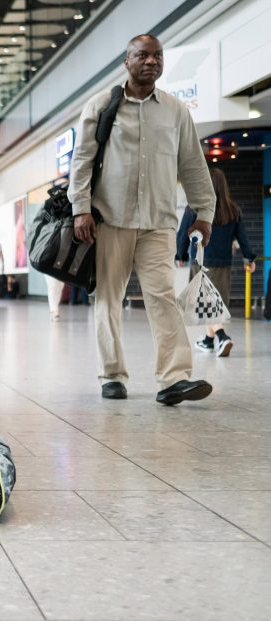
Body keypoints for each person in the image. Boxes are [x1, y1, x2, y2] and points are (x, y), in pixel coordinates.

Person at [69, 34, 216, 405]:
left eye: (157, 56)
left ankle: (173, 379)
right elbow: (82, 159)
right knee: (108, 299)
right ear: (126, 61)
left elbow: (193, 166)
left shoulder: (175, 111)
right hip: (110, 220)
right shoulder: (103, 104)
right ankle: (112, 374)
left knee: (163, 297)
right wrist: (80, 208)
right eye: (142, 55)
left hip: (158, 221)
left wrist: (205, 213)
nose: (151, 62)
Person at [176, 167, 257, 357]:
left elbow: (183, 234)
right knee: (213, 304)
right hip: (224, 265)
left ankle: (221, 336)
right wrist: (249, 258)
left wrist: (180, 255)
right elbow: (243, 238)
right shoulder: (233, 210)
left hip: (201, 262)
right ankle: (208, 341)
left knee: (204, 304)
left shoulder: (194, 208)